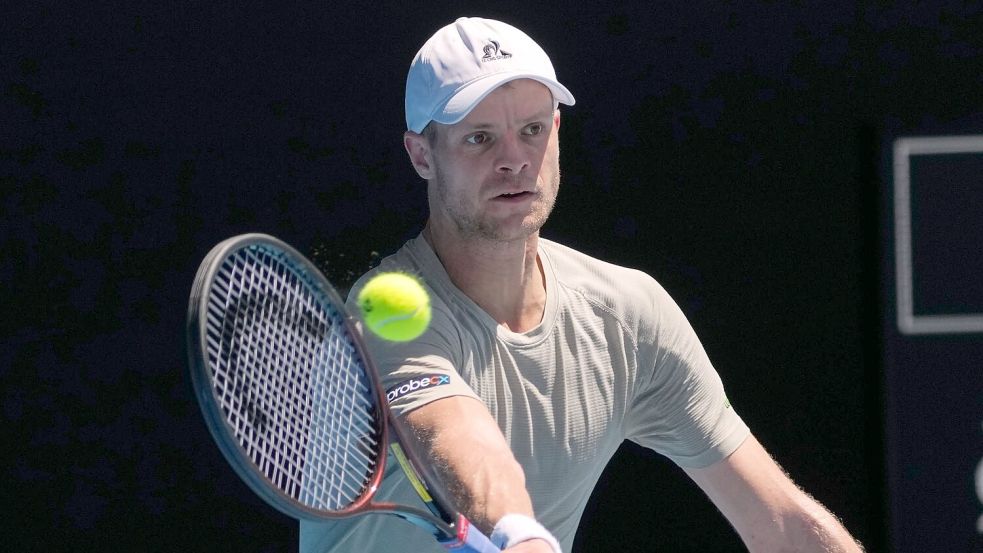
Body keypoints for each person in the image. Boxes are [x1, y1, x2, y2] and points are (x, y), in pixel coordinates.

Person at [300, 16, 863, 553]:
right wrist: (522, 534)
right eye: (479, 139)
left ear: (557, 132)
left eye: (532, 130)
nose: (514, 160)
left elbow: (780, 521)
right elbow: (461, 440)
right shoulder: (388, 314)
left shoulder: (628, 317)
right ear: (422, 155)